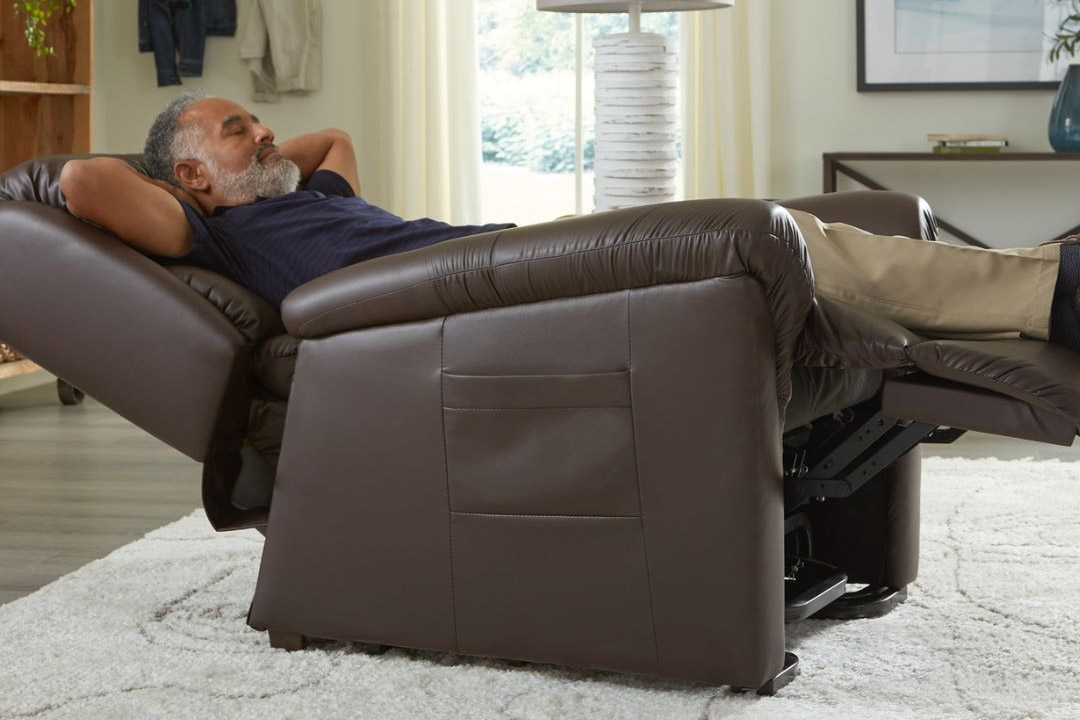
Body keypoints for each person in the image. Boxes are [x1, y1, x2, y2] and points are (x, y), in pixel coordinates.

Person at [59, 92, 1080, 353]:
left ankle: (1034, 288)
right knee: (778, 232)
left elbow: (329, 140)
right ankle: (1049, 290)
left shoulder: (307, 195)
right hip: (499, 284)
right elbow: (82, 183)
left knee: (790, 233)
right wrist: (194, 171)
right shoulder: (220, 232)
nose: (269, 134)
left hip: (519, 256)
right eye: (240, 131)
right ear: (186, 180)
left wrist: (257, 152)